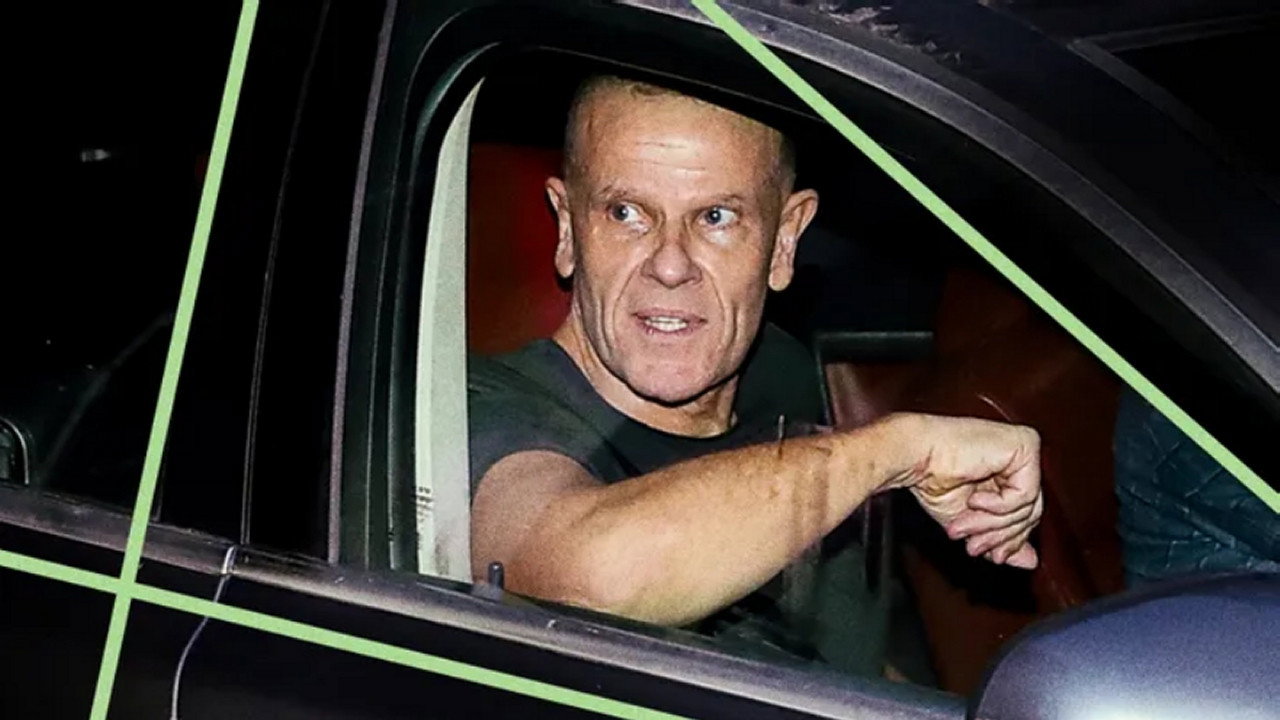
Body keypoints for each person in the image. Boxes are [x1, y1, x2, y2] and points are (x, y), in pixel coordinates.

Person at [466, 74, 1043, 673]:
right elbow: (585, 584)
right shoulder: (483, 406)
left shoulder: (781, 375)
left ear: (784, 241)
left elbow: (844, 652)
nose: (670, 265)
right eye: (626, 213)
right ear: (567, 229)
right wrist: (897, 452)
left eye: (716, 217)